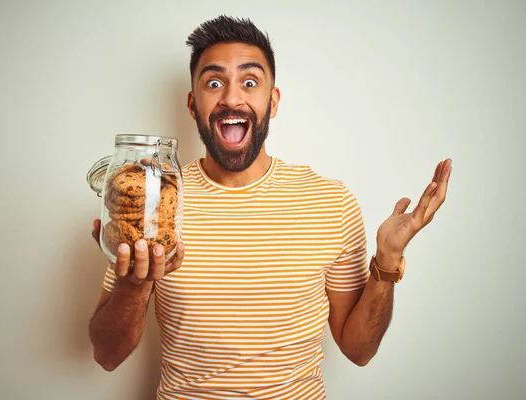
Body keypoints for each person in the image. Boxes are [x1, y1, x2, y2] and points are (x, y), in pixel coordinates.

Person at [88, 15, 453, 400]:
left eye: (250, 82)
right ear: (193, 104)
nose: (231, 98)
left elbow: (359, 350)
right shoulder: (157, 201)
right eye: (214, 83)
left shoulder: (331, 202)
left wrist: (388, 259)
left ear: (272, 101)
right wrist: (134, 285)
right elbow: (107, 355)